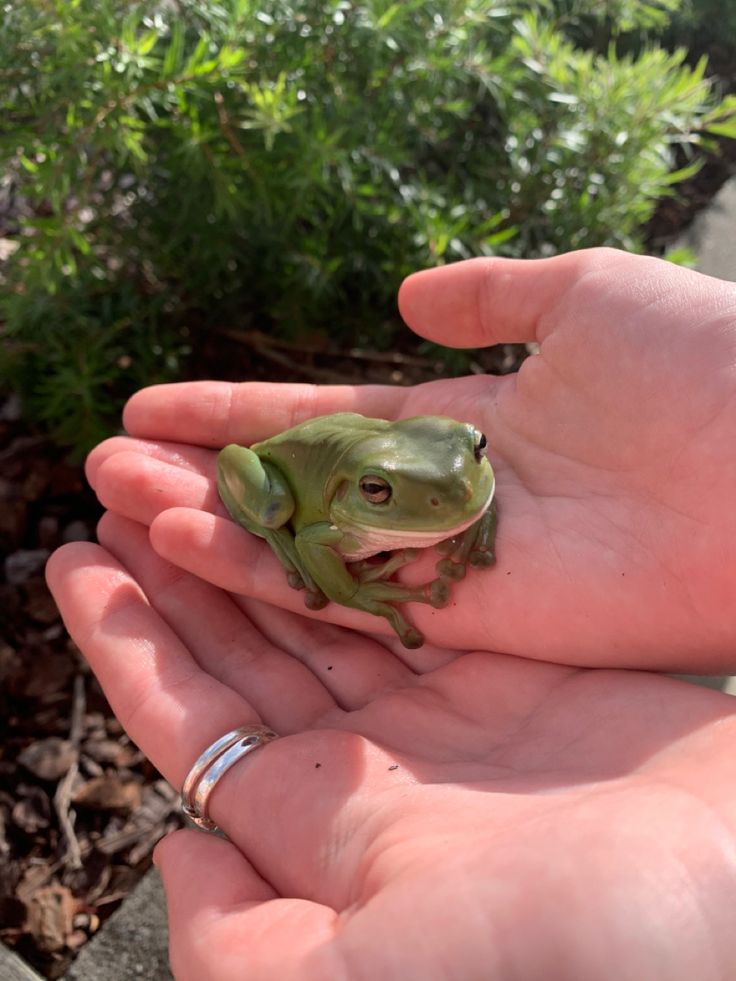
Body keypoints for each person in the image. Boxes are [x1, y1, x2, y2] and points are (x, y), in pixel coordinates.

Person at [47, 249, 736, 980]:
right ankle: (344, 514)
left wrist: (473, 512)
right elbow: (314, 536)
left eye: (475, 451)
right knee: (279, 506)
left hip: (379, 457)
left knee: (431, 480)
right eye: (380, 493)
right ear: (362, 492)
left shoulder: (460, 470)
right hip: (289, 483)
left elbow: (466, 473)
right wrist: (360, 589)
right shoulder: (338, 511)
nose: (462, 486)